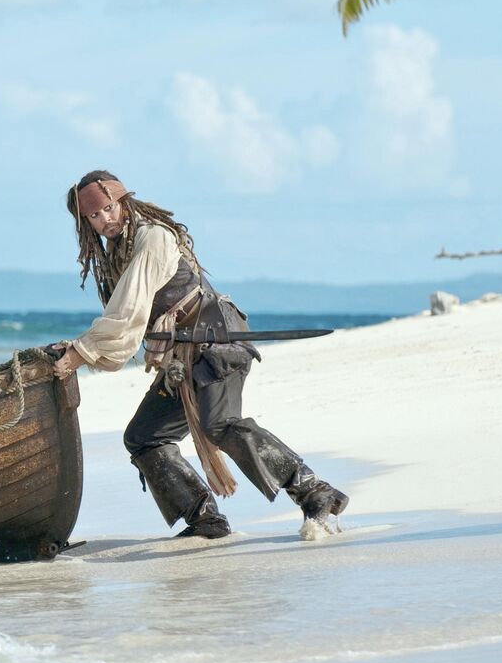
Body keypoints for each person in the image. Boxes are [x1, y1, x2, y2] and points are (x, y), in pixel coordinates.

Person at [48, 170, 348, 540]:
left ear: (122, 201)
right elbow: (128, 316)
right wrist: (79, 349)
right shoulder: (115, 254)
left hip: (217, 343)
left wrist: (81, 352)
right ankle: (205, 519)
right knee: (144, 437)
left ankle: (316, 492)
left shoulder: (153, 237)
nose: (104, 219)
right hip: (181, 360)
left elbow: (127, 313)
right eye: (94, 216)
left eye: (108, 209)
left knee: (219, 424)